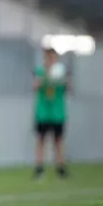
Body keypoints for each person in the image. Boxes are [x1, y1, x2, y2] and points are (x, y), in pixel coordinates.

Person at [33, 48, 69, 179]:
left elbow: (67, 87)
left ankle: (61, 168)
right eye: (49, 58)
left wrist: (61, 79)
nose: (52, 61)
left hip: (57, 112)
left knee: (58, 140)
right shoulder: (40, 71)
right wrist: (46, 75)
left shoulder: (60, 72)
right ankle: (39, 168)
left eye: (54, 58)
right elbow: (35, 86)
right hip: (43, 112)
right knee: (41, 140)